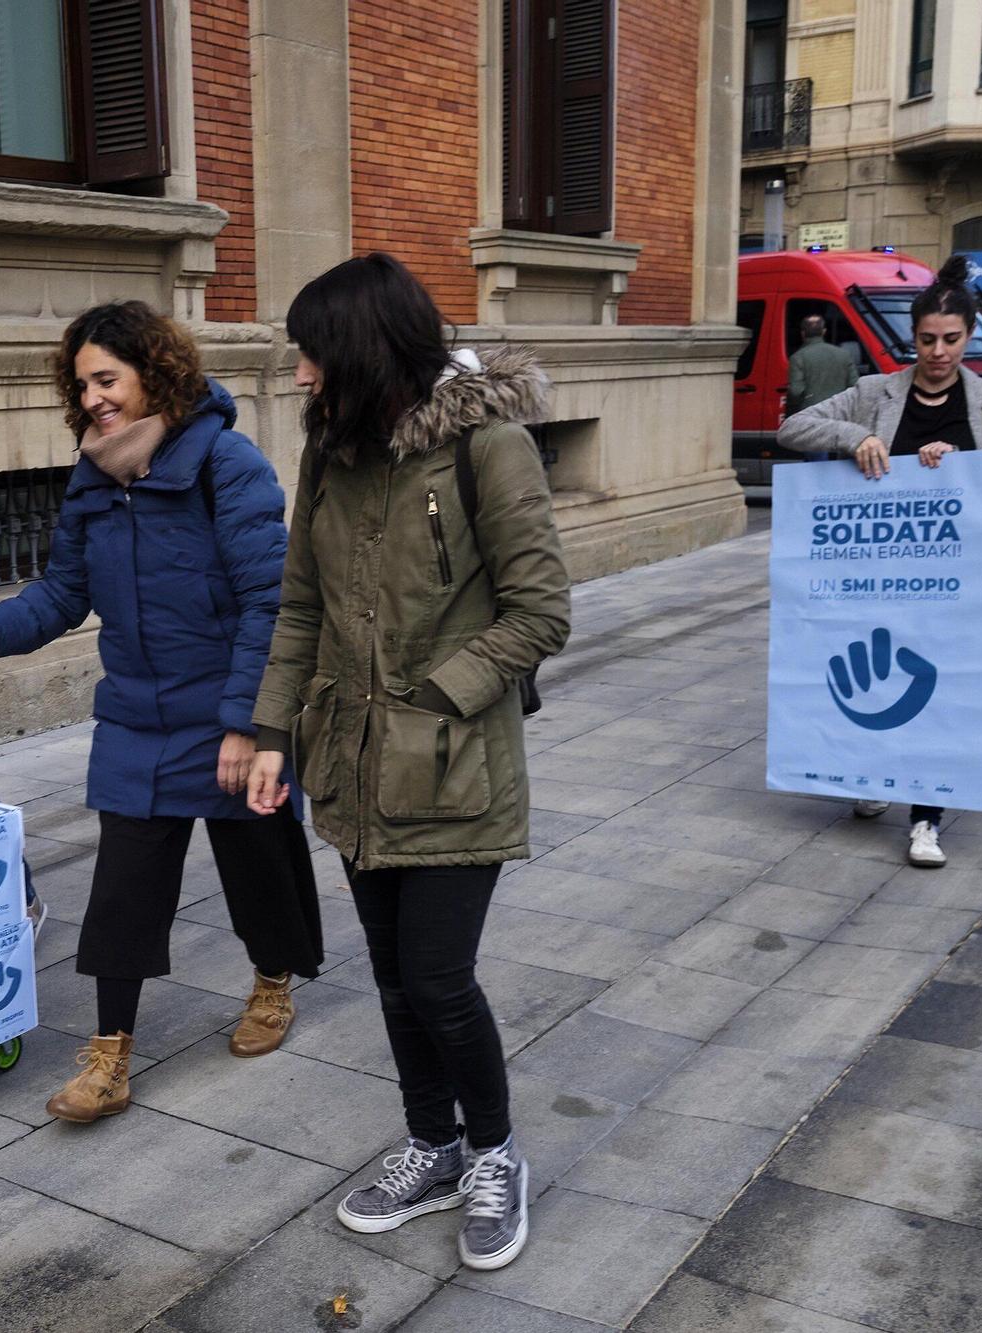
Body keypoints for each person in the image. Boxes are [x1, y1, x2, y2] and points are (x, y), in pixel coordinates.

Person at [0, 300, 324, 1122]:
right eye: (84, 385)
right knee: (123, 891)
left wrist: (247, 722)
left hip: (227, 716)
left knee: (260, 867)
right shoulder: (94, 479)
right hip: (138, 718)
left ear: (154, 373)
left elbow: (268, 602)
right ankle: (109, 1057)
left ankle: (273, 983)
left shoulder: (226, 464)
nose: (96, 398)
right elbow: (62, 595)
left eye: (109, 378)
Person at [246, 254, 571, 1272]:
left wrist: (436, 695)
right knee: (391, 979)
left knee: (438, 977)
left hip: (451, 763)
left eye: (310, 355)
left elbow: (541, 611)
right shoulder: (330, 451)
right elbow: (300, 605)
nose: (298, 375)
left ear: (361, 351)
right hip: (349, 761)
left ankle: (494, 1151)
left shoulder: (488, 444)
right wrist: (272, 736)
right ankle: (430, 1142)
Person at [778, 254, 982, 869]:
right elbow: (793, 427)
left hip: (956, 576)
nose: (939, 352)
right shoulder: (872, 393)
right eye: (926, 340)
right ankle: (872, 778)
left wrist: (962, 464)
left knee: (939, 687)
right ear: (910, 338)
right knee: (878, 670)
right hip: (879, 572)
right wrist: (855, 438)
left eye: (951, 340)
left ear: (969, 337)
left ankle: (926, 816)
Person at [786, 312, 857, 416]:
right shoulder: (844, 355)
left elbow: (795, 392)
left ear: (803, 333)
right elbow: (854, 385)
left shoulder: (797, 357)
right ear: (824, 332)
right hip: (839, 411)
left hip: (811, 413)